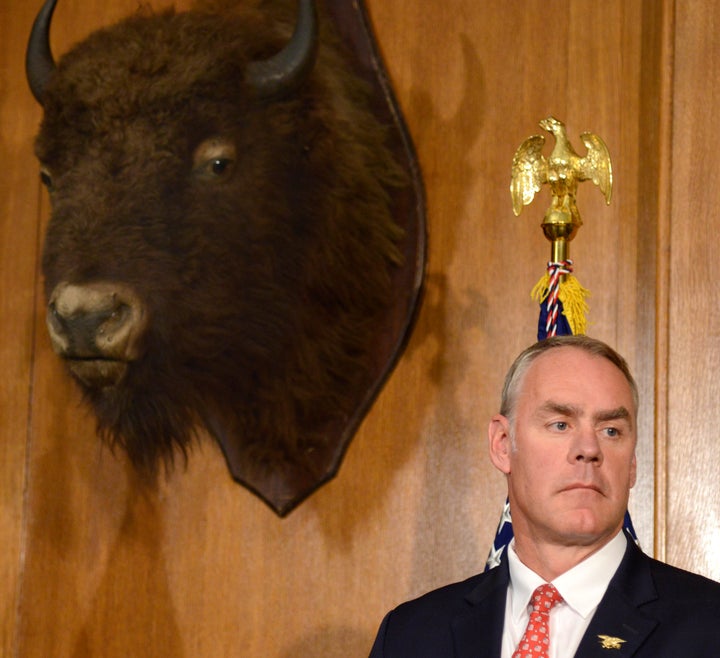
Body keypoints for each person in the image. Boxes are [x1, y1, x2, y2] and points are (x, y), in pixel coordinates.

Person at [369, 335, 720, 657]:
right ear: (503, 445)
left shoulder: (709, 626)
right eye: (561, 424)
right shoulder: (409, 635)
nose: (588, 449)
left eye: (611, 430)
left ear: (632, 463)